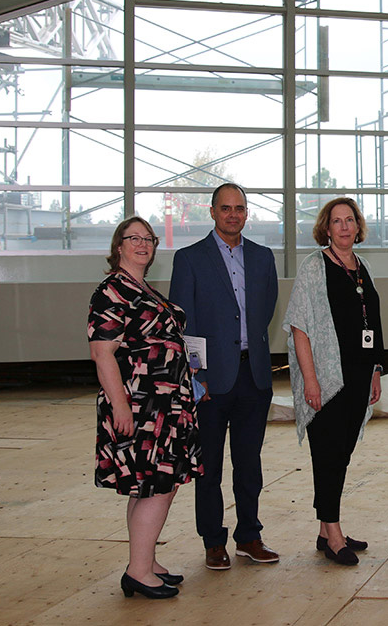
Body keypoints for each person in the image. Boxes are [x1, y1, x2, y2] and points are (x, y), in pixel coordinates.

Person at [88, 216, 202, 599]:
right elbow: (102, 353)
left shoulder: (142, 289)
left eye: (148, 238)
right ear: (117, 246)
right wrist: (120, 406)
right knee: (157, 486)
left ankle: (145, 559)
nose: (141, 244)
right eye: (132, 238)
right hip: (142, 407)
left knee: (147, 486)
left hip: (166, 405)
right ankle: (138, 571)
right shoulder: (113, 290)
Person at [169, 183, 280, 571]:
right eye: (226, 208)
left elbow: (265, 311)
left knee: (249, 464)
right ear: (213, 212)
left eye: (240, 208)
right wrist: (196, 379)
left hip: (254, 374)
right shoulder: (189, 259)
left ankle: (249, 536)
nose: (233, 214)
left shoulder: (264, 258)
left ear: (247, 213)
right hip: (211, 381)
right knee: (209, 466)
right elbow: (184, 323)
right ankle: (213, 541)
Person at [283, 198, 384, 566]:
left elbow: (372, 320)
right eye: (336, 221)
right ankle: (334, 532)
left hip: (358, 375)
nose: (344, 227)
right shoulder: (314, 267)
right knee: (327, 454)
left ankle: (326, 531)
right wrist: (311, 381)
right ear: (326, 228)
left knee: (340, 454)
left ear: (358, 226)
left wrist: (375, 368)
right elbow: (299, 326)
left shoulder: (363, 267)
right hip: (326, 378)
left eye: (350, 220)